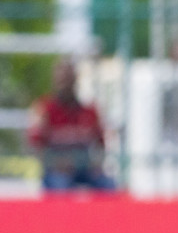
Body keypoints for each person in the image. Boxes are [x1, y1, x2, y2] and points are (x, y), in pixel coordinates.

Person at [28, 59, 115, 191]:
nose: (65, 84)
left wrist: (97, 164)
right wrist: (52, 163)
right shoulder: (45, 109)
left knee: (109, 185)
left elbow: (101, 143)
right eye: (62, 79)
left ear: (75, 80)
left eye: (69, 79)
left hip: (85, 168)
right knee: (61, 186)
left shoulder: (89, 111)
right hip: (57, 170)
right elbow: (35, 145)